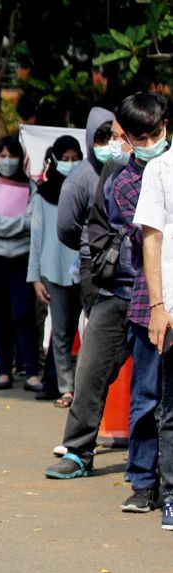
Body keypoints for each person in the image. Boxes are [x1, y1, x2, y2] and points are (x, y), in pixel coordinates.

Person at [47, 94, 167, 491]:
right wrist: (94, 284)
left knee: (155, 390)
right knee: (92, 370)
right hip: (119, 290)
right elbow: (90, 233)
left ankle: (157, 472)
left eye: (153, 133)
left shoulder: (167, 171)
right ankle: (79, 449)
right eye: (131, 136)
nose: (142, 142)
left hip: (164, 294)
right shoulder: (114, 177)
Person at [134, 98, 173, 529]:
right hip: (172, 304)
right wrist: (158, 306)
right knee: (171, 407)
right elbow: (152, 241)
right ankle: (171, 496)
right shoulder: (159, 171)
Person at [0, 136, 41, 391]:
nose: (6, 161)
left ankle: (32, 371)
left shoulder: (32, 187)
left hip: (22, 258)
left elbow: (33, 220)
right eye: (0, 156)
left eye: (11, 155)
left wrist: (4, 227)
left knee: (24, 313)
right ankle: (3, 370)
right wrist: (19, 225)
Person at [27, 135, 83, 407]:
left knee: (88, 330)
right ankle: (66, 388)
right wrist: (35, 278)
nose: (70, 164)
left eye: (75, 159)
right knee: (60, 332)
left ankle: (84, 387)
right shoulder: (43, 194)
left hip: (86, 269)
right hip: (53, 268)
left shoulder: (88, 188)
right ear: (54, 160)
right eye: (65, 159)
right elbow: (36, 238)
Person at [57, 107, 131, 312]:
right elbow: (66, 228)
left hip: (126, 266)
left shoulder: (125, 169)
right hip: (95, 264)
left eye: (113, 138)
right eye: (101, 140)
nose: (108, 146)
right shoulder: (78, 180)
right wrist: (89, 244)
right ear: (90, 141)